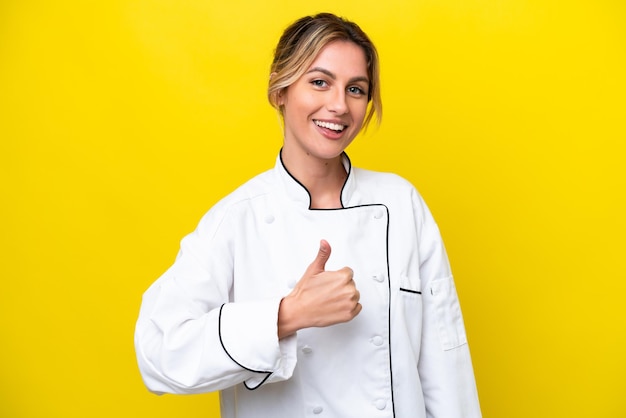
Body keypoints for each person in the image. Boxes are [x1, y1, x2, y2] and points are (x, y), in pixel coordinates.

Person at [134, 12, 481, 418]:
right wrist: (286, 316)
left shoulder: (401, 204)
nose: (339, 105)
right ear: (280, 90)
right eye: (320, 81)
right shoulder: (236, 220)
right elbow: (158, 354)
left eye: (356, 89)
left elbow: (446, 363)